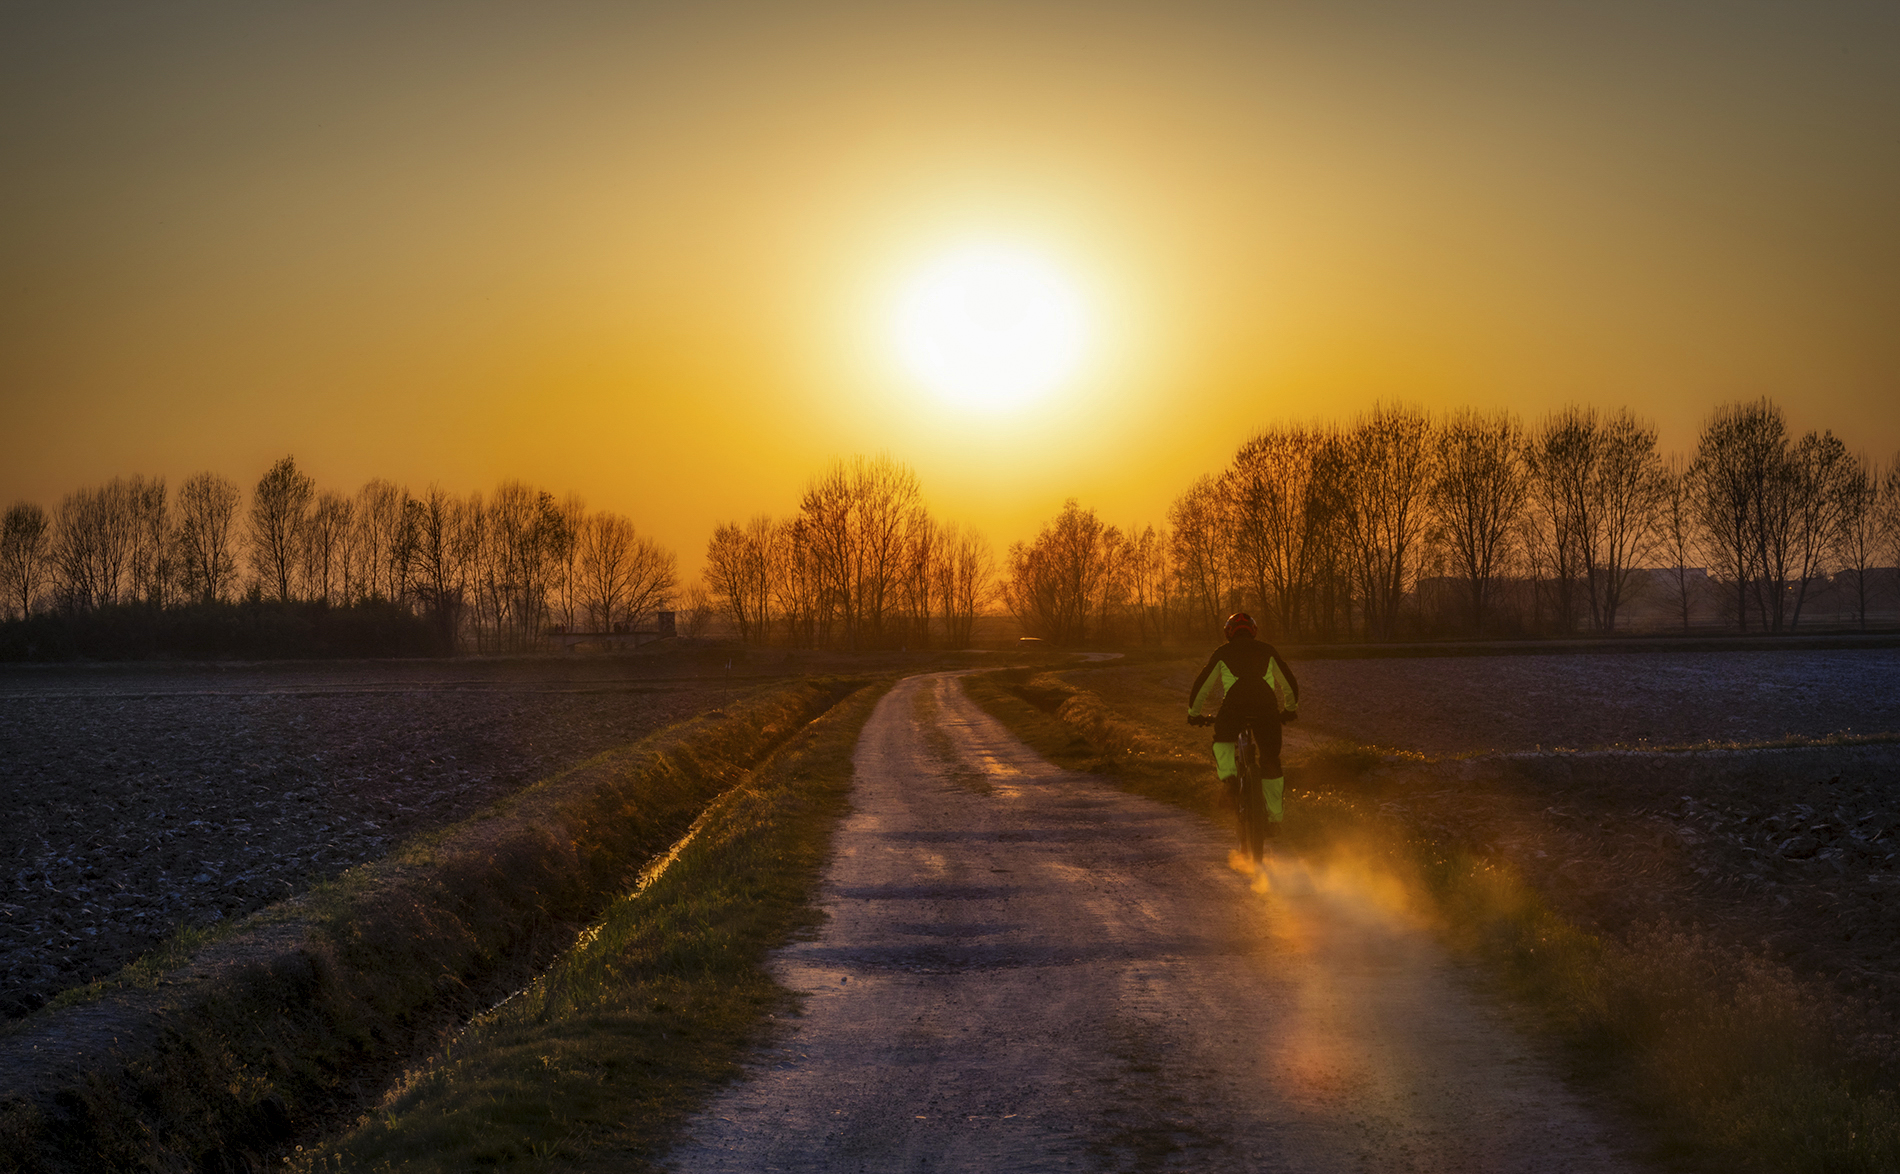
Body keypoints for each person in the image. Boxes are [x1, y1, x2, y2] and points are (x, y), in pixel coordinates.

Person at [1186, 612, 1299, 834]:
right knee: (1271, 761)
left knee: (1223, 740)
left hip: (1234, 710)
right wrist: (1289, 710)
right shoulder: (1268, 651)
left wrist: (1194, 713)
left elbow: (1203, 685)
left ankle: (1229, 782)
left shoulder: (1223, 653)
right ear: (1253, 631)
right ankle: (1274, 819)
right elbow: (1288, 682)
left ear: (1228, 633)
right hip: (1266, 710)